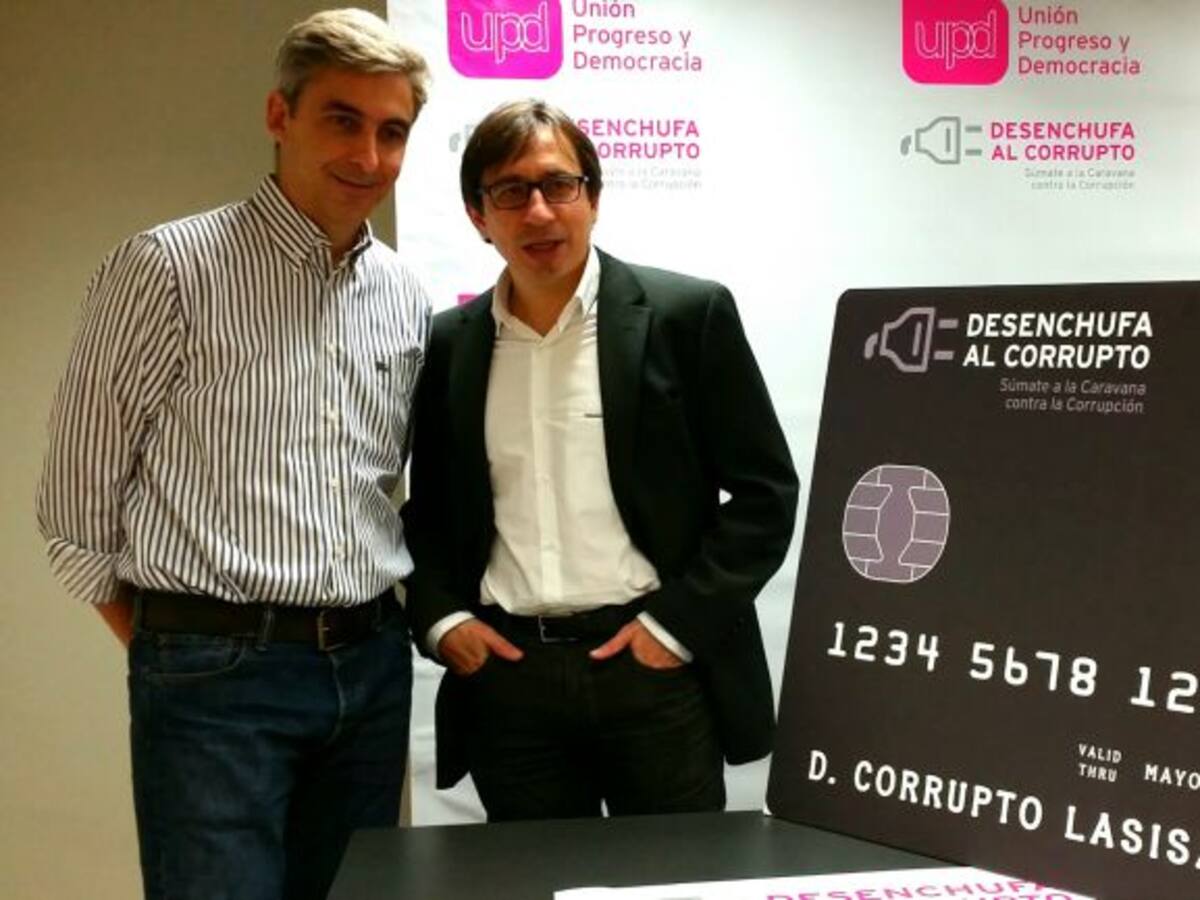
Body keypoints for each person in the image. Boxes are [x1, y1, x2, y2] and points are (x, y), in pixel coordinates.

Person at [36, 10, 430, 899]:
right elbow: (73, 510)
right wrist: (183, 648)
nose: (368, 155)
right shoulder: (167, 268)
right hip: (214, 676)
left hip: (370, 667)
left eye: (392, 131)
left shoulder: (405, 293)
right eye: (342, 120)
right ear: (279, 115)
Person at [402, 98, 799, 821]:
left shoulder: (686, 316)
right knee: (536, 877)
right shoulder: (449, 345)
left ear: (593, 197)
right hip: (510, 685)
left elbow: (764, 494)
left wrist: (675, 628)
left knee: (678, 878)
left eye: (559, 185)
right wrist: (442, 620)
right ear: (477, 215)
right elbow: (426, 512)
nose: (539, 212)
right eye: (510, 191)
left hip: (652, 669)